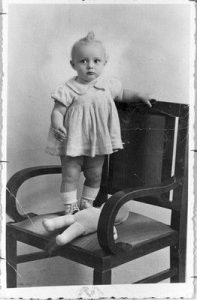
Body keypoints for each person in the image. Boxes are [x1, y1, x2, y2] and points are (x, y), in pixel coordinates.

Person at [43, 31, 151, 238]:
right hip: (72, 142)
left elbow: (123, 94)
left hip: (97, 142)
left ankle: (87, 205)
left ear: (105, 62)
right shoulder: (69, 88)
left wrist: (137, 95)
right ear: (73, 64)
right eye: (83, 61)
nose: (90, 65)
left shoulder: (108, 85)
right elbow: (58, 110)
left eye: (96, 61)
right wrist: (57, 123)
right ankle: (70, 208)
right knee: (71, 173)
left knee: (95, 174)